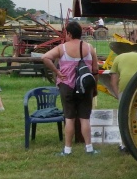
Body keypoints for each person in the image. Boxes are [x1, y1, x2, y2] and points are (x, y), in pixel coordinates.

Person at [42, 21, 100, 156]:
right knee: (85, 118)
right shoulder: (89, 48)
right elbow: (95, 69)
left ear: (68, 33)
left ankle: (67, 149)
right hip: (85, 87)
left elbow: (45, 57)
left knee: (69, 118)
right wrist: (94, 87)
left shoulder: (62, 48)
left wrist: (57, 72)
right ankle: (89, 148)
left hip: (67, 85)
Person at [106, 42, 137, 152]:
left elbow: (113, 82)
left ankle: (124, 145)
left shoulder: (119, 58)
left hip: (125, 87)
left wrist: (119, 96)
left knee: (125, 117)